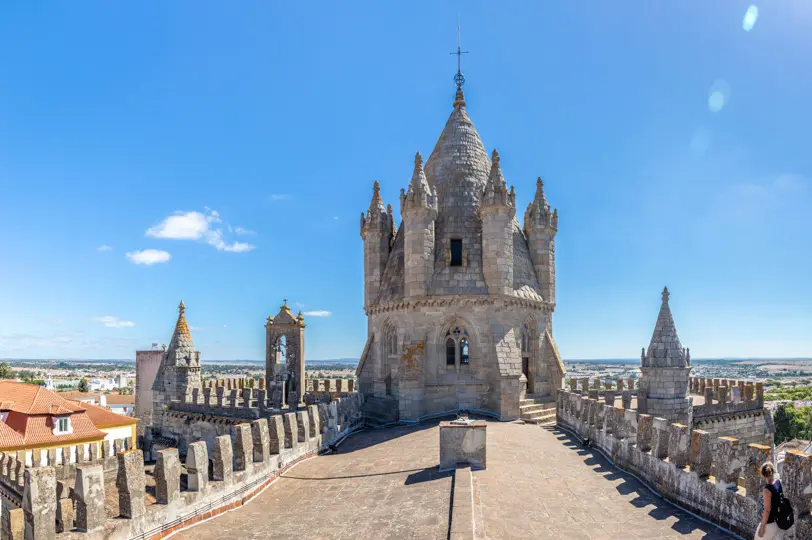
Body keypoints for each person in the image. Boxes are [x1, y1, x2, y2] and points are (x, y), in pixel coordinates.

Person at [756, 462, 784, 539]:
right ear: (773, 471)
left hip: (769, 523)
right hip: (777, 522)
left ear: (762, 474)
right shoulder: (778, 483)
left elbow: (767, 510)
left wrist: (762, 527)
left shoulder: (767, 490)